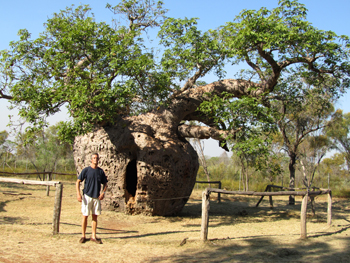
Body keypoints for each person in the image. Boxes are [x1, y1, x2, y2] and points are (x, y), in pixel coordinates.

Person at [76, 153, 108, 244]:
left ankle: (93, 236)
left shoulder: (100, 172)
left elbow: (105, 183)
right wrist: (78, 194)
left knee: (95, 217)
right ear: (91, 160)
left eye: (97, 158)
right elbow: (78, 181)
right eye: (94, 158)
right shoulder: (86, 170)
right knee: (85, 216)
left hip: (96, 197)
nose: (95, 160)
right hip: (87, 196)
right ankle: (83, 235)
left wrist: (103, 193)